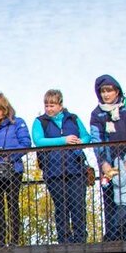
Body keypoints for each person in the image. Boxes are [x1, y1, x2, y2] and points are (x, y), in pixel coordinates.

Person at [32, 89, 92, 244]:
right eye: (46, 105)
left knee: (78, 204)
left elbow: (86, 135)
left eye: (52, 105)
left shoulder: (73, 118)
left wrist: (80, 142)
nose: (49, 109)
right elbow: (38, 141)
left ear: (60, 105)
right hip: (53, 169)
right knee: (61, 205)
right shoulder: (40, 121)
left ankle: (80, 239)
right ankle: (64, 240)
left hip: (75, 167)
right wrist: (63, 140)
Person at [88, 75, 126, 243]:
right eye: (102, 91)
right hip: (109, 162)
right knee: (110, 198)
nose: (106, 94)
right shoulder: (97, 113)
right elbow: (97, 139)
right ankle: (113, 236)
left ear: (116, 90)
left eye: (109, 90)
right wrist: (103, 162)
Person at [0, 93, 30, 246]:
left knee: (13, 203)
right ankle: (1, 240)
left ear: (4, 107)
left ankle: (14, 239)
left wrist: (10, 157)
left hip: (13, 170)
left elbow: (26, 143)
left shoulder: (17, 123)